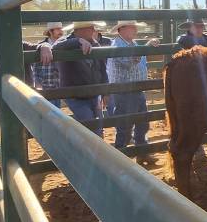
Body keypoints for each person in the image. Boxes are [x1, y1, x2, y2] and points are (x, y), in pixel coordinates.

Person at [106, 21, 161, 162]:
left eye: (135, 27)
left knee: (142, 122)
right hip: (124, 91)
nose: (135, 29)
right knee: (126, 125)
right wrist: (147, 47)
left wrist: (147, 46)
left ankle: (141, 152)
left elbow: (136, 60)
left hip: (136, 89)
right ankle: (121, 157)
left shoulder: (132, 43)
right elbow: (130, 61)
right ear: (121, 29)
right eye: (132, 27)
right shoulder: (117, 45)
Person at [54, 21, 108, 136]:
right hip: (75, 96)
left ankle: (96, 151)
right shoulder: (66, 42)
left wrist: (105, 92)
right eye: (91, 28)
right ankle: (92, 151)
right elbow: (56, 47)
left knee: (98, 126)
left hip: (94, 93)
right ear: (80, 31)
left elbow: (102, 69)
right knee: (91, 125)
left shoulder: (95, 44)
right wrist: (78, 41)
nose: (94, 30)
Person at [30, 21, 64, 92]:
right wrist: (38, 84)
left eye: (61, 29)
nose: (61, 31)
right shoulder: (40, 46)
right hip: (46, 88)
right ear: (50, 32)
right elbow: (35, 69)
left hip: (61, 88)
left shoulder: (65, 44)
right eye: (57, 29)